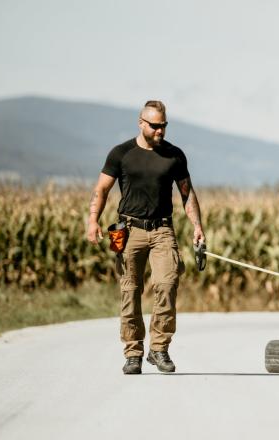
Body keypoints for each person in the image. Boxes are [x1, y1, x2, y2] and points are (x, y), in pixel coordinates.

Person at [86, 100, 205, 374]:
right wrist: (93, 220)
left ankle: (159, 349)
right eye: (154, 126)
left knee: (166, 284)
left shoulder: (174, 155)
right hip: (128, 231)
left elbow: (187, 193)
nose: (160, 131)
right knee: (130, 291)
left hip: (163, 229)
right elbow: (102, 189)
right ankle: (133, 353)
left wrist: (197, 226)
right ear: (141, 123)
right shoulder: (121, 153)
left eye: (163, 126)